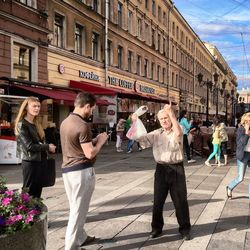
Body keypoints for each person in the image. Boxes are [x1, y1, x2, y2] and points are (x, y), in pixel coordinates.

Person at [60, 92, 108, 250]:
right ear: (87, 106)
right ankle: (71, 246)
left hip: (68, 170)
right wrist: (100, 142)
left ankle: (81, 236)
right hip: (81, 172)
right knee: (78, 210)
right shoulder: (83, 125)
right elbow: (90, 153)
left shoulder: (66, 121)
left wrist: (93, 140)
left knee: (76, 206)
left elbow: (76, 145)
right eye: (92, 109)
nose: (92, 112)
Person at [137, 102, 191, 241]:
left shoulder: (177, 131)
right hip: (161, 169)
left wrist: (171, 113)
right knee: (158, 201)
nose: (164, 121)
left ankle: (185, 229)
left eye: (166, 118)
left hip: (176, 169)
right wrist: (135, 121)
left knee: (180, 201)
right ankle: (156, 228)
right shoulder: (156, 134)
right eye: (161, 119)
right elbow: (141, 140)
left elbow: (179, 132)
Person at [15, 97, 56, 198]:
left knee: (38, 190)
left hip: (40, 161)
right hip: (30, 162)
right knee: (29, 191)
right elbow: (29, 146)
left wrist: (47, 146)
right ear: (26, 108)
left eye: (38, 106)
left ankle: (36, 212)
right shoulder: (22, 125)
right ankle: (26, 212)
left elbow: (40, 141)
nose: (37, 108)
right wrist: (47, 147)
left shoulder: (36, 123)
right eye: (34, 106)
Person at [226, 112, 250, 199]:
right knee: (240, 178)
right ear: (246, 121)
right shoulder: (241, 130)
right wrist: (247, 133)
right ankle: (229, 187)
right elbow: (241, 143)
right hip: (243, 155)